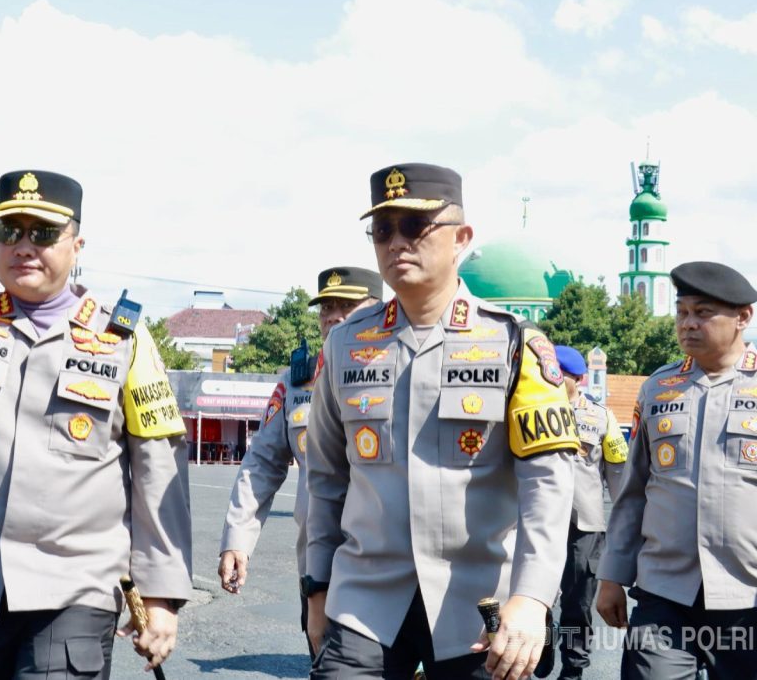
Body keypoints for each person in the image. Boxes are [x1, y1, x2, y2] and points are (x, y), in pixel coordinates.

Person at [0, 170, 193, 679]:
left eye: (43, 233)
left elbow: (158, 466)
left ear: (77, 245)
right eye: (10, 232)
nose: (24, 246)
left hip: (74, 589)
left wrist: (160, 596)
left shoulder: (124, 339)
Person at [305, 163, 578, 679]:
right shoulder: (344, 345)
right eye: (382, 229)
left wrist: (532, 598)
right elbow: (324, 479)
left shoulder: (515, 343)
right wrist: (316, 587)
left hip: (479, 608)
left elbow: (547, 485)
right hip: (365, 601)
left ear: (462, 239)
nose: (396, 242)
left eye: (415, 226)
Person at [596, 261, 757, 680]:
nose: (688, 323)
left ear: (743, 317)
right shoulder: (658, 388)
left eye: (703, 313)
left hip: (748, 595)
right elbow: (633, 492)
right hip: (665, 591)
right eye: (682, 312)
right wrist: (612, 575)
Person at [218, 266, 383, 658]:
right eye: (327, 308)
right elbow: (262, 463)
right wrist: (238, 538)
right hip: (318, 564)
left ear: (379, 309)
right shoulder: (296, 382)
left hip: (387, 565)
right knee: (326, 663)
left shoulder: (403, 373)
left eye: (347, 306)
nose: (334, 317)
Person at [552, 345, 627, 680]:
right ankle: (540, 642)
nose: (550, 378)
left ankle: (573, 669)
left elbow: (620, 480)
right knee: (531, 595)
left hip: (584, 525)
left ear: (579, 379)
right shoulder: (526, 410)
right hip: (533, 522)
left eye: (559, 374)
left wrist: (625, 537)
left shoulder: (602, 417)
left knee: (577, 605)